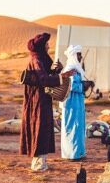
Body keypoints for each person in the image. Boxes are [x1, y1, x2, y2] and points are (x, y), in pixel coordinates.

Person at [20, 33, 74, 171]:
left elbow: (47, 74)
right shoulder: (36, 60)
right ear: (42, 46)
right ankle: (38, 164)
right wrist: (63, 76)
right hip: (37, 101)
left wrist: (57, 70)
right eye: (46, 44)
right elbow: (44, 80)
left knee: (43, 129)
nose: (49, 46)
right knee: (40, 129)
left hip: (42, 100)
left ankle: (41, 163)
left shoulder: (41, 59)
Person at [60, 45, 87, 160]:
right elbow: (72, 86)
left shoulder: (76, 69)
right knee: (73, 126)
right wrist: (84, 85)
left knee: (79, 126)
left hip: (77, 102)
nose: (80, 57)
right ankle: (72, 154)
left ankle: (79, 152)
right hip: (71, 102)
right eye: (79, 54)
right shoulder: (70, 69)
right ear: (74, 55)